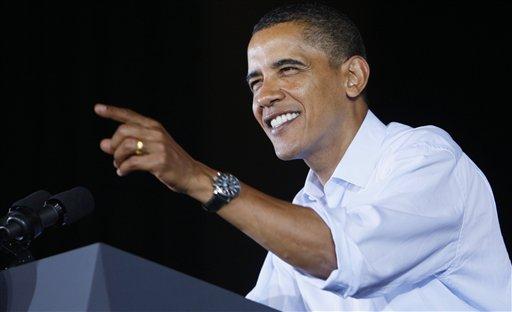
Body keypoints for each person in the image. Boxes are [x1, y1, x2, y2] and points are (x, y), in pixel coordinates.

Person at [95, 3, 511, 311]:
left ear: (352, 77)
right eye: (255, 82)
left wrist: (198, 179)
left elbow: (340, 255)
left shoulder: (426, 160)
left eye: (289, 69)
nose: (265, 96)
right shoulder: (305, 211)